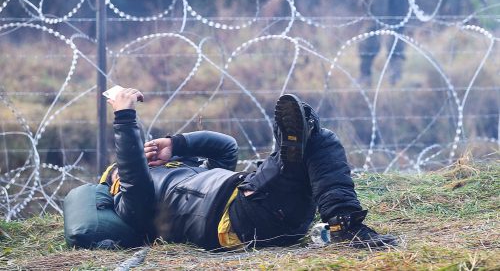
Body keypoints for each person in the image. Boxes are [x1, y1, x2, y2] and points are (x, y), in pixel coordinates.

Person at [97, 87, 397, 250]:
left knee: (319, 139)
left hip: (269, 208)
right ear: (114, 183)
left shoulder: (191, 173)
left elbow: (226, 147)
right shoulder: (129, 204)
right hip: (238, 219)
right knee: (302, 145)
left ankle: (343, 220)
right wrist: (124, 116)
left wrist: (178, 145)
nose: (131, 166)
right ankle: (290, 149)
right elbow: (134, 179)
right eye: (117, 172)